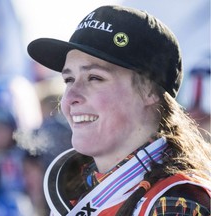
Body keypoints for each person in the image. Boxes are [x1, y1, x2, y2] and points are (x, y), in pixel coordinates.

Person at [27, 5, 211, 216]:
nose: (70, 97)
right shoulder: (78, 192)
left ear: (148, 90)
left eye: (95, 78)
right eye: (68, 80)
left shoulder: (177, 201)